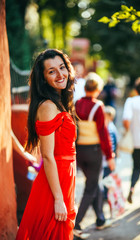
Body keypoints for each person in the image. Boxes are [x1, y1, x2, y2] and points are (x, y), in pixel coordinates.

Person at [16, 49, 76, 240]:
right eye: (51, 71)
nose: (60, 75)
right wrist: (58, 198)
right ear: (43, 78)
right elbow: (48, 155)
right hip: (55, 179)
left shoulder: (59, 101)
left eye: (62, 67)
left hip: (64, 175)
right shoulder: (48, 106)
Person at [74, 72, 115, 238]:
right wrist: (110, 155)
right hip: (94, 151)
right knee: (91, 187)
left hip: (79, 151)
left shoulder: (76, 103)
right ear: (97, 90)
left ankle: (100, 219)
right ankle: (76, 224)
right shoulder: (98, 106)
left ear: (84, 88)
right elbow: (103, 132)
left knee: (94, 182)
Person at [102, 106, 118, 200]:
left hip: (109, 156)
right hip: (108, 156)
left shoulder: (110, 128)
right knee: (106, 175)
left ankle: (105, 194)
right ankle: (105, 194)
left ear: (111, 117)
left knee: (107, 176)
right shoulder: (111, 126)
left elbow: (113, 143)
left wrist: (112, 155)